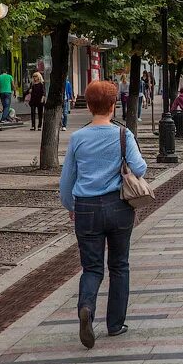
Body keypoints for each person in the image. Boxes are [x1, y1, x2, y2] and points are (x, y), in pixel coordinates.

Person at [59, 80, 147, 349]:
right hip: (118, 207)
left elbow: (66, 181)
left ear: (89, 106)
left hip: (86, 208)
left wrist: (71, 207)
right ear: (113, 105)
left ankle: (86, 307)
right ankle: (115, 324)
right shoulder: (123, 134)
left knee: (91, 267)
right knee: (119, 264)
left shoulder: (77, 138)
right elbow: (139, 167)